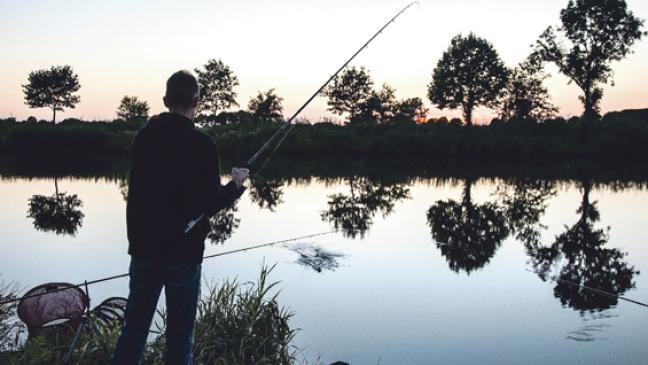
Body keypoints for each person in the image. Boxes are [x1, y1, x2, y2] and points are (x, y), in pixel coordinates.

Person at [111, 70, 248, 365]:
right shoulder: (203, 144)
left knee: (133, 330)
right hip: (184, 255)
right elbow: (209, 203)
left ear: (165, 100)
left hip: (144, 249)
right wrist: (235, 187)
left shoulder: (144, 136)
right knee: (180, 335)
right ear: (196, 101)